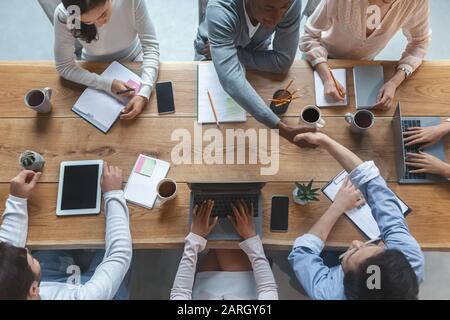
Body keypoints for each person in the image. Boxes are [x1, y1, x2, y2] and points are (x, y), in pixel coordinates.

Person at [288, 131, 424, 300]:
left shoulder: (328, 294)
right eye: (377, 249)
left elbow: (302, 252)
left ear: (344, 282)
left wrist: (338, 206)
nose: (355, 242)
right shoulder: (408, 261)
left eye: (351, 255)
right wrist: (325, 140)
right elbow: (372, 183)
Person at [0, 164, 132, 300]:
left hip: (47, 283)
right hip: (95, 294)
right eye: (31, 258)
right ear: (33, 289)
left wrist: (17, 198)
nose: (23, 249)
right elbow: (119, 254)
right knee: (120, 242)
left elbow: (7, 251)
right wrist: (113, 194)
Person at [195, 0, 314, 145]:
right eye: (269, 7)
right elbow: (231, 81)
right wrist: (281, 128)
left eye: (284, 8)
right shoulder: (220, 9)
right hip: (208, 52)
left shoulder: (291, 2)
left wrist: (235, 53)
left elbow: (282, 61)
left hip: (247, 50)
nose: (277, 18)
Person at [300, 0, 431, 110]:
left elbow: (420, 42)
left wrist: (394, 82)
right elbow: (310, 36)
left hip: (364, 66)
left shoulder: (415, 2)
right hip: (320, 58)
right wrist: (327, 78)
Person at [54, 0, 160, 119]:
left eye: (103, 14)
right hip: (94, 67)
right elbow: (64, 66)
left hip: (134, 57)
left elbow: (151, 46)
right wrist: (106, 84)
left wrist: (144, 93)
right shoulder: (68, 14)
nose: (98, 25)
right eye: (88, 22)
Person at [170, 200, 278, 300]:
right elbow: (267, 288)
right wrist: (250, 236)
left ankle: (217, 204)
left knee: (216, 240)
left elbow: (180, 293)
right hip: (242, 290)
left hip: (206, 291)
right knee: (221, 237)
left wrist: (195, 237)